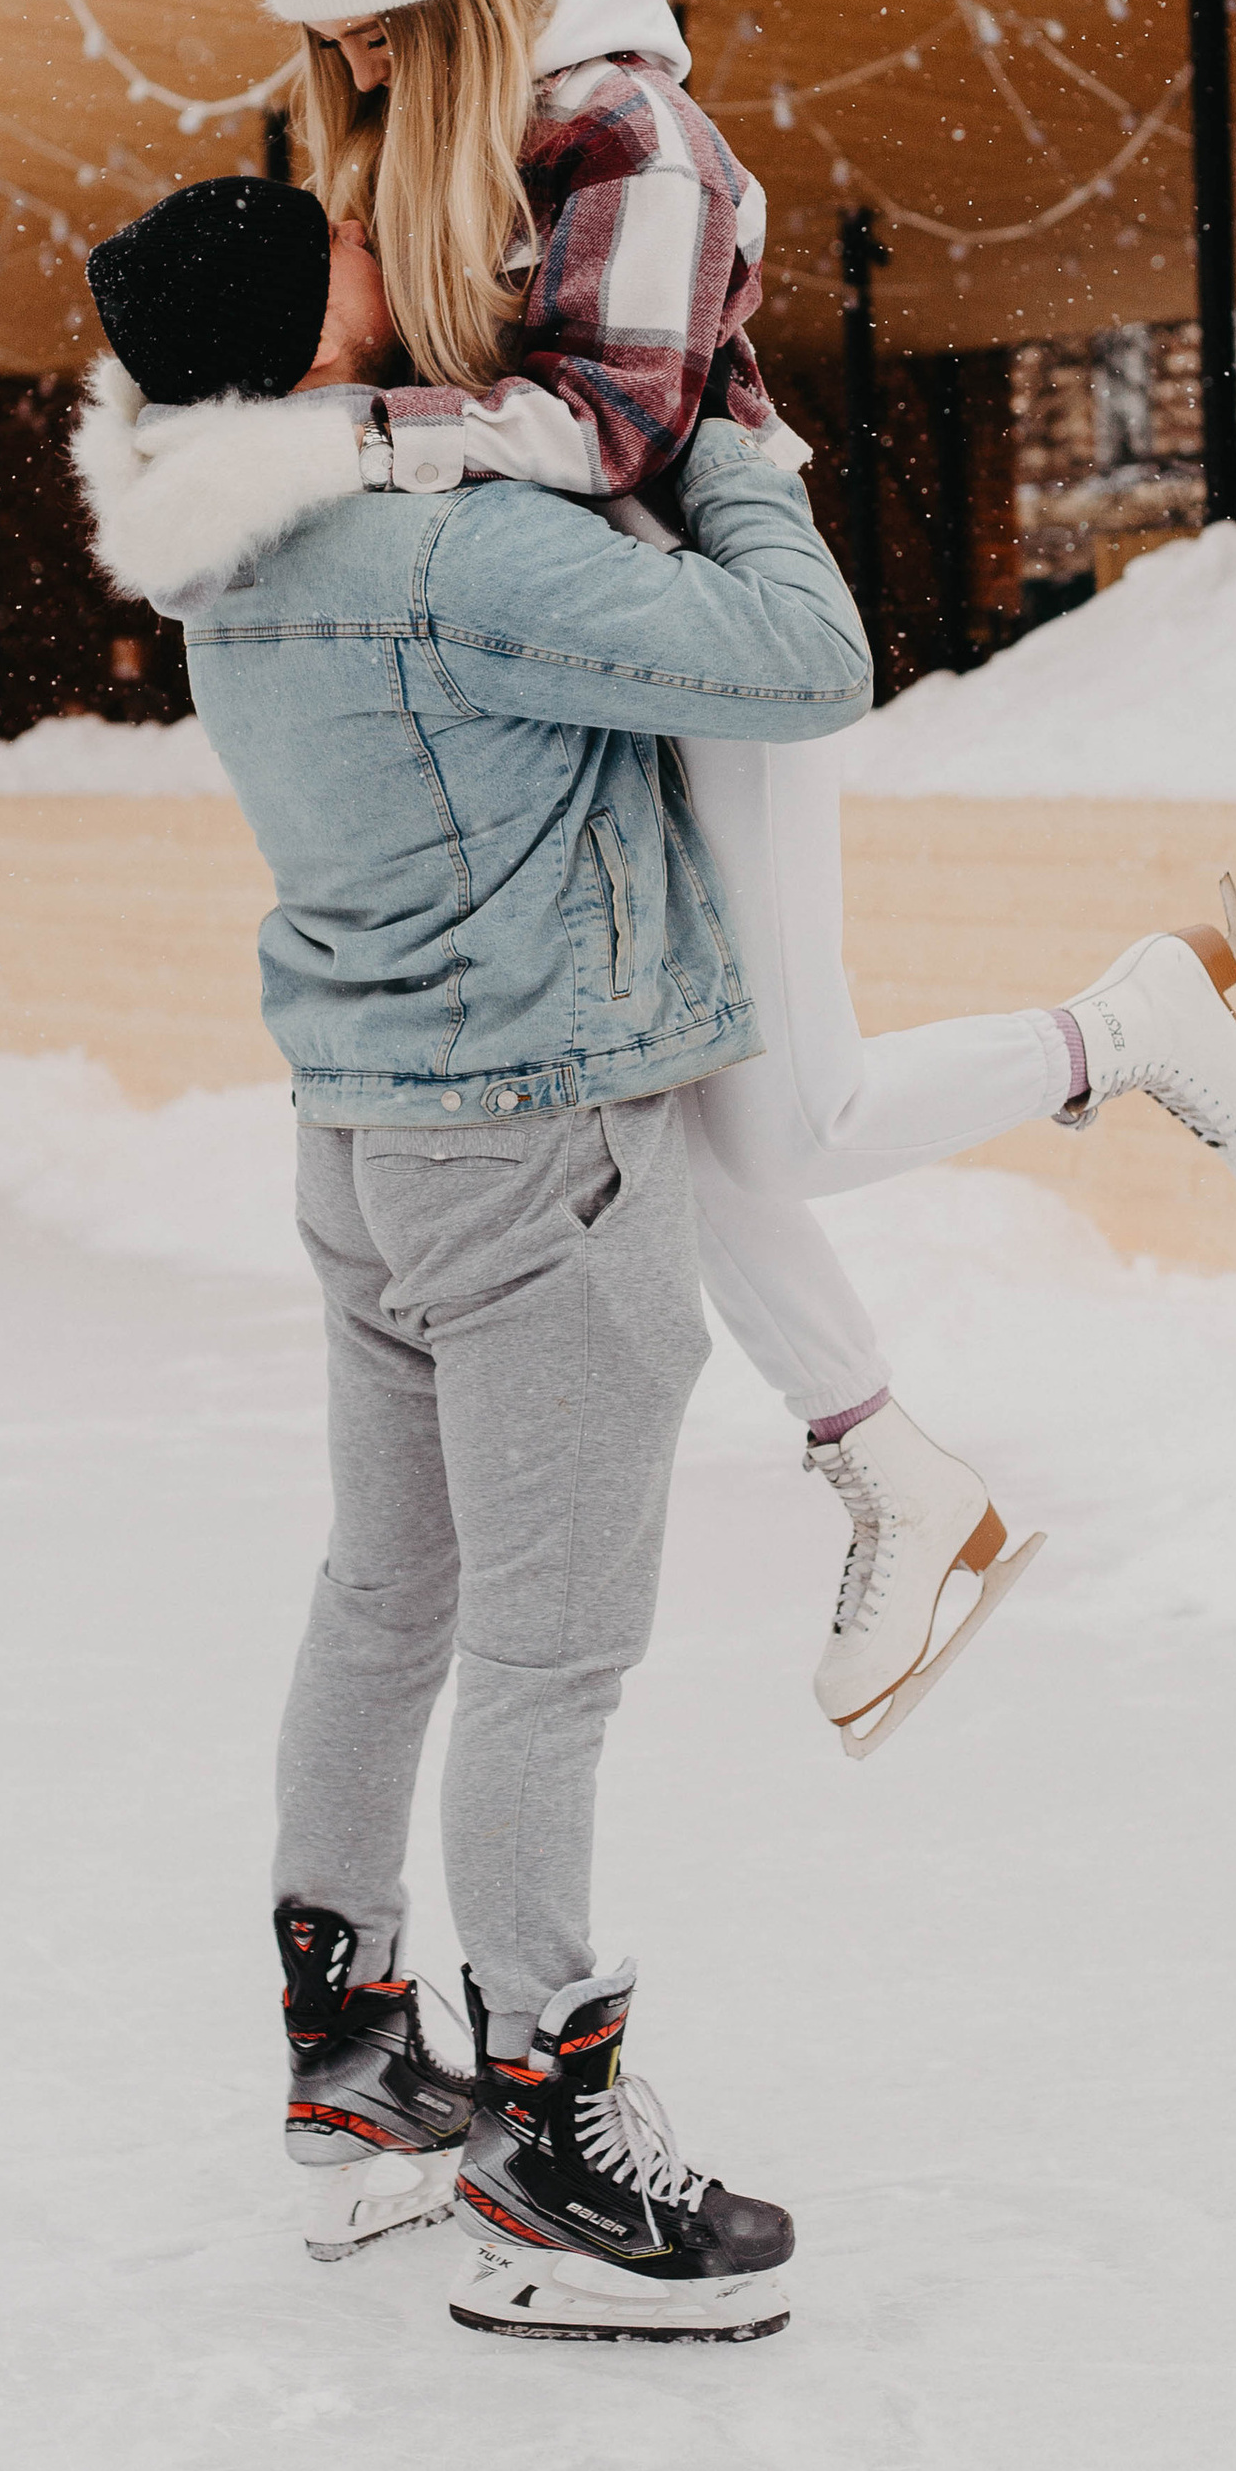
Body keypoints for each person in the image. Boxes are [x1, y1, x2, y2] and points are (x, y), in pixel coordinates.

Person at [232, 0, 1236, 1759]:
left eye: (377, 39)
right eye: (333, 50)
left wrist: (344, 446)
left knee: (779, 1120)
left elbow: (609, 432)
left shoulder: (627, 127)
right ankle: (892, 1469)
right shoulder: (439, 138)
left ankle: (1127, 1027)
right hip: (571, 656)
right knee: (672, 1109)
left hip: (720, 623)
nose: (357, 85)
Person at [74, 168, 875, 2341]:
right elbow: (807, 666)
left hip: (366, 1144)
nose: (398, 253)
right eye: (347, 245)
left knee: (390, 1597)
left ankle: (349, 2066)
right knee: (547, 1655)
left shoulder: (227, 551)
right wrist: (707, 431)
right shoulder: (452, 549)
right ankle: (546, 2127)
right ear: (309, 325)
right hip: (537, 1147)